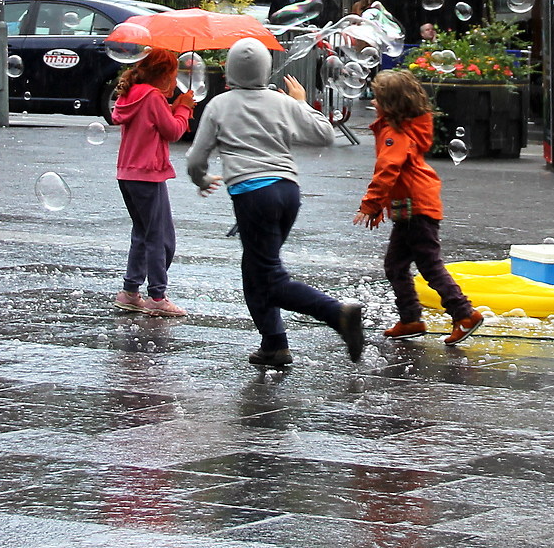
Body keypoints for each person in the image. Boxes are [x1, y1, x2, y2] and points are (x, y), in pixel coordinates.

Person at [184, 37, 366, 370]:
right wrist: (300, 102)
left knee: (268, 277)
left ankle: (337, 313)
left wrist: (201, 179)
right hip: (287, 191)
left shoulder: (219, 104)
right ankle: (274, 344)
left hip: (254, 196)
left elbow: (196, 158)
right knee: (255, 270)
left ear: (229, 71)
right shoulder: (282, 102)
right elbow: (325, 134)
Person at [358, 69, 483, 345]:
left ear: (389, 104)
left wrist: (370, 204)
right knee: (395, 265)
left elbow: (388, 169)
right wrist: (381, 206)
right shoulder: (401, 128)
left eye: (377, 98)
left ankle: (464, 313)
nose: (373, 102)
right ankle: (411, 319)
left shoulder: (394, 133)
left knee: (429, 265)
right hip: (410, 208)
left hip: (416, 209)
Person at [110, 47, 191, 317]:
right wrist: (184, 110)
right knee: (161, 238)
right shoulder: (153, 96)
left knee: (142, 234)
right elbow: (173, 131)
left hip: (128, 174)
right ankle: (157, 295)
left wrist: (173, 107)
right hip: (148, 174)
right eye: (173, 75)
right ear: (164, 75)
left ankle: (130, 291)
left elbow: (149, 121)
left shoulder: (134, 94)